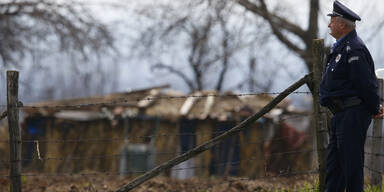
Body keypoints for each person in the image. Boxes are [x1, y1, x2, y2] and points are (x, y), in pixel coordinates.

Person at [320, 1, 384, 191]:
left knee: (351, 169)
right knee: (334, 170)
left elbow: (365, 84)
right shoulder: (340, 48)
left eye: (332, 20)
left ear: (342, 24)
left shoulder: (354, 49)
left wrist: (373, 108)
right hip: (340, 115)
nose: (329, 24)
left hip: (352, 114)